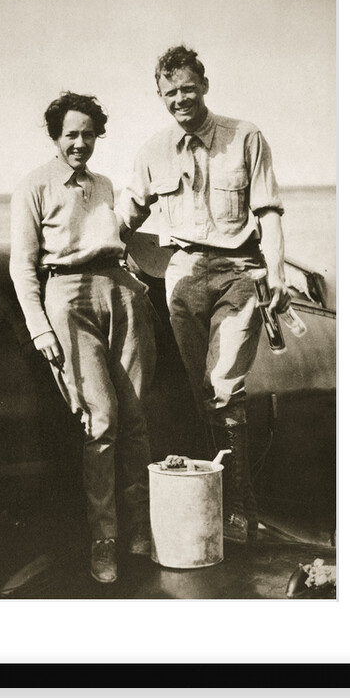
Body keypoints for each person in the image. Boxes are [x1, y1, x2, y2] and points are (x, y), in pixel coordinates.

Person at [117, 45, 291, 544]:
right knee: (202, 394)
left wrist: (275, 270)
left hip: (240, 272)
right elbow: (128, 214)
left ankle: (241, 509)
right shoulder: (152, 151)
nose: (179, 99)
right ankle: (216, 498)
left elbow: (269, 211)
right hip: (184, 275)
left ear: (205, 85)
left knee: (223, 385)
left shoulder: (245, 136)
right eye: (169, 92)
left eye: (187, 88)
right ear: (160, 96)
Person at [9, 91, 156, 583]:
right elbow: (22, 266)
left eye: (88, 134)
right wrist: (39, 328)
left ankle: (141, 527)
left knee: (135, 417)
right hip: (67, 299)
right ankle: (104, 540)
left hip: (120, 292)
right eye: (71, 134)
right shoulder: (32, 187)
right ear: (55, 136)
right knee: (101, 421)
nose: (80, 142)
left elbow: (117, 236)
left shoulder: (106, 184)